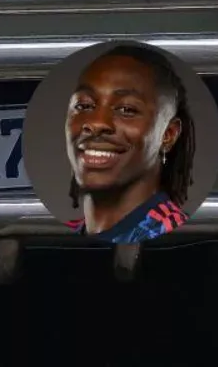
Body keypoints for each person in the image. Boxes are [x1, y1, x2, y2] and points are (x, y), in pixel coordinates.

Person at [65, 42, 195, 243]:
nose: (97, 123)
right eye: (84, 105)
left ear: (168, 134)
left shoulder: (181, 239)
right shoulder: (55, 237)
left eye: (126, 109)